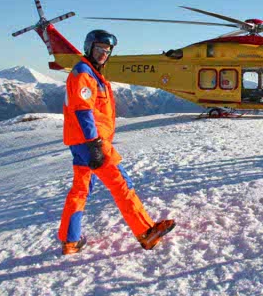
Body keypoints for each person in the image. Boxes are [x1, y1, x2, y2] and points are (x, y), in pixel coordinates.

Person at [58, 29, 175, 255]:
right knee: (121, 183)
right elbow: (83, 110)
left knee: (80, 190)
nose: (103, 54)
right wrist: (94, 144)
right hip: (91, 142)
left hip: (81, 142)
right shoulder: (84, 73)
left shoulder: (92, 73)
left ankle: (70, 240)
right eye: (99, 48)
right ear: (88, 47)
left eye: (107, 50)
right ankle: (146, 232)